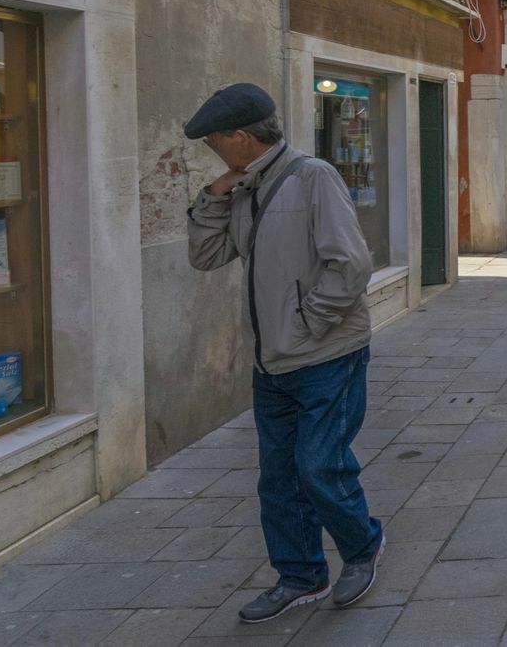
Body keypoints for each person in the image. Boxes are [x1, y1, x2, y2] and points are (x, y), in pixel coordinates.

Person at [184, 83, 383, 622]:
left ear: (241, 137)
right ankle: (300, 577)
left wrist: (306, 324)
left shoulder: (313, 176)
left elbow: (352, 264)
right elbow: (205, 256)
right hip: (271, 363)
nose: (212, 152)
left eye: (214, 143)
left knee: (319, 466)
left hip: (325, 356)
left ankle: (362, 549)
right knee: (277, 479)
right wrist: (215, 195)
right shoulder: (246, 188)